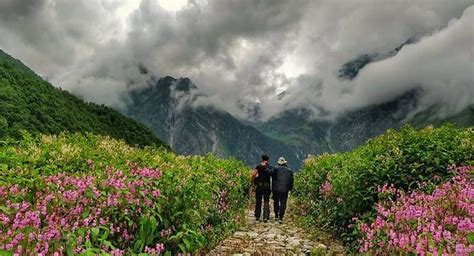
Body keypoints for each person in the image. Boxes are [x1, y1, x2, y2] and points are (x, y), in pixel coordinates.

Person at [270, 157, 294, 224]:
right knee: (283, 203)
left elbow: (270, 174)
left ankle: (276, 215)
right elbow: (291, 181)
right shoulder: (289, 171)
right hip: (285, 190)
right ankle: (281, 217)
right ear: (285, 163)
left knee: (276, 202)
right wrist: (289, 188)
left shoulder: (275, 168)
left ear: (278, 163)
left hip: (276, 189)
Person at [253, 154, 272, 222]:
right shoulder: (269, 167)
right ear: (268, 160)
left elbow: (254, 174)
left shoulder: (258, 166)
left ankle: (257, 215)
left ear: (262, 159)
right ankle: (265, 216)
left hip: (259, 186)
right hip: (267, 187)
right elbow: (271, 174)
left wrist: (253, 182)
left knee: (258, 201)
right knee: (266, 201)